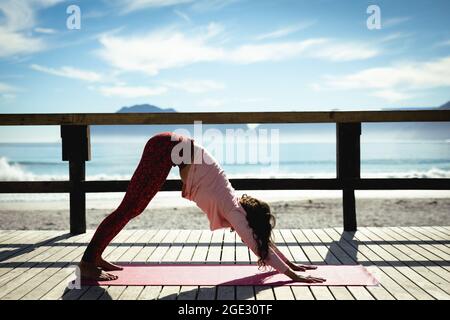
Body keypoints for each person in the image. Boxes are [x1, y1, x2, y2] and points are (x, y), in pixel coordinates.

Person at [79, 132, 325, 283]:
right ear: (250, 221)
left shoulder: (234, 202)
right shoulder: (234, 211)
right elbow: (258, 245)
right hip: (168, 148)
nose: (245, 231)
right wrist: (293, 276)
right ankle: (89, 262)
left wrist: (291, 264)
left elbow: (260, 241)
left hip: (171, 145)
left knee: (132, 209)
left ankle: (95, 256)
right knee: (129, 208)